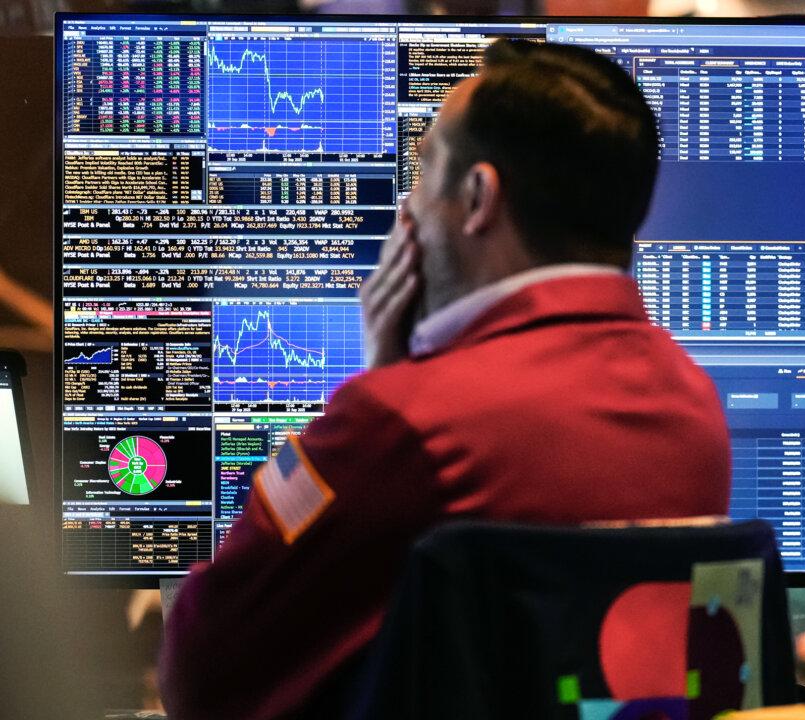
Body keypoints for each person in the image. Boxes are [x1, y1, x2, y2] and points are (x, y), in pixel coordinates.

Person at [160, 39, 731, 719]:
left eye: (425, 170)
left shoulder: (404, 422)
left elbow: (199, 668)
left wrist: (361, 401)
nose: (408, 212)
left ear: (478, 197)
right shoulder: (695, 406)